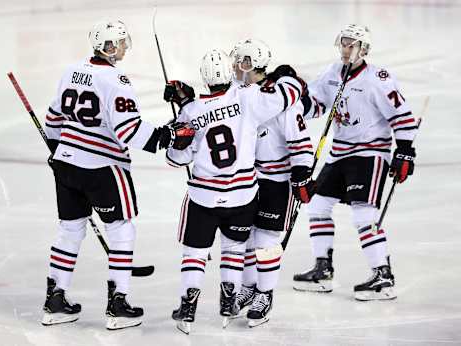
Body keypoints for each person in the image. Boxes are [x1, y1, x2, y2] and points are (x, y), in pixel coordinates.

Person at [41, 19, 194, 329]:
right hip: (103, 168)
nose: (125, 47)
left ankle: (54, 301)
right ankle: (118, 304)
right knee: (122, 229)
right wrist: (169, 136)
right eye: (121, 42)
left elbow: (53, 117)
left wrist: (57, 149)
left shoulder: (71, 70)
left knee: (70, 229)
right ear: (108, 47)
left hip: (67, 165)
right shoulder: (116, 80)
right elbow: (129, 131)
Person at [163, 49, 305, 334]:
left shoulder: (194, 110)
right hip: (244, 190)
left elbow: (176, 158)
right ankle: (234, 297)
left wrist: (182, 114)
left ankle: (257, 294)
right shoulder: (249, 97)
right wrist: (286, 82)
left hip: (220, 191)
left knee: (210, 250)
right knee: (240, 246)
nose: (242, 66)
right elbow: (293, 91)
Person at [292, 24, 418, 301]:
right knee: (318, 205)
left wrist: (405, 150)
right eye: (344, 44)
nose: (346, 49)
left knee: (364, 213)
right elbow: (316, 105)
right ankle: (322, 269)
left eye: (352, 45)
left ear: (364, 49)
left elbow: (402, 115)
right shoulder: (331, 73)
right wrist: (296, 94)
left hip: (370, 153)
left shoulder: (378, 79)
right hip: (341, 151)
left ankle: (382, 276)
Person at [228, 39, 316, 327]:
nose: (234, 65)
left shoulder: (280, 100)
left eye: (239, 60)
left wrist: (302, 173)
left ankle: (264, 294)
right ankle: (248, 287)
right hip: (245, 178)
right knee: (246, 237)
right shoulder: (238, 93)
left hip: (276, 180)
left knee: (265, 240)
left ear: (249, 64)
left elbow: (300, 141)